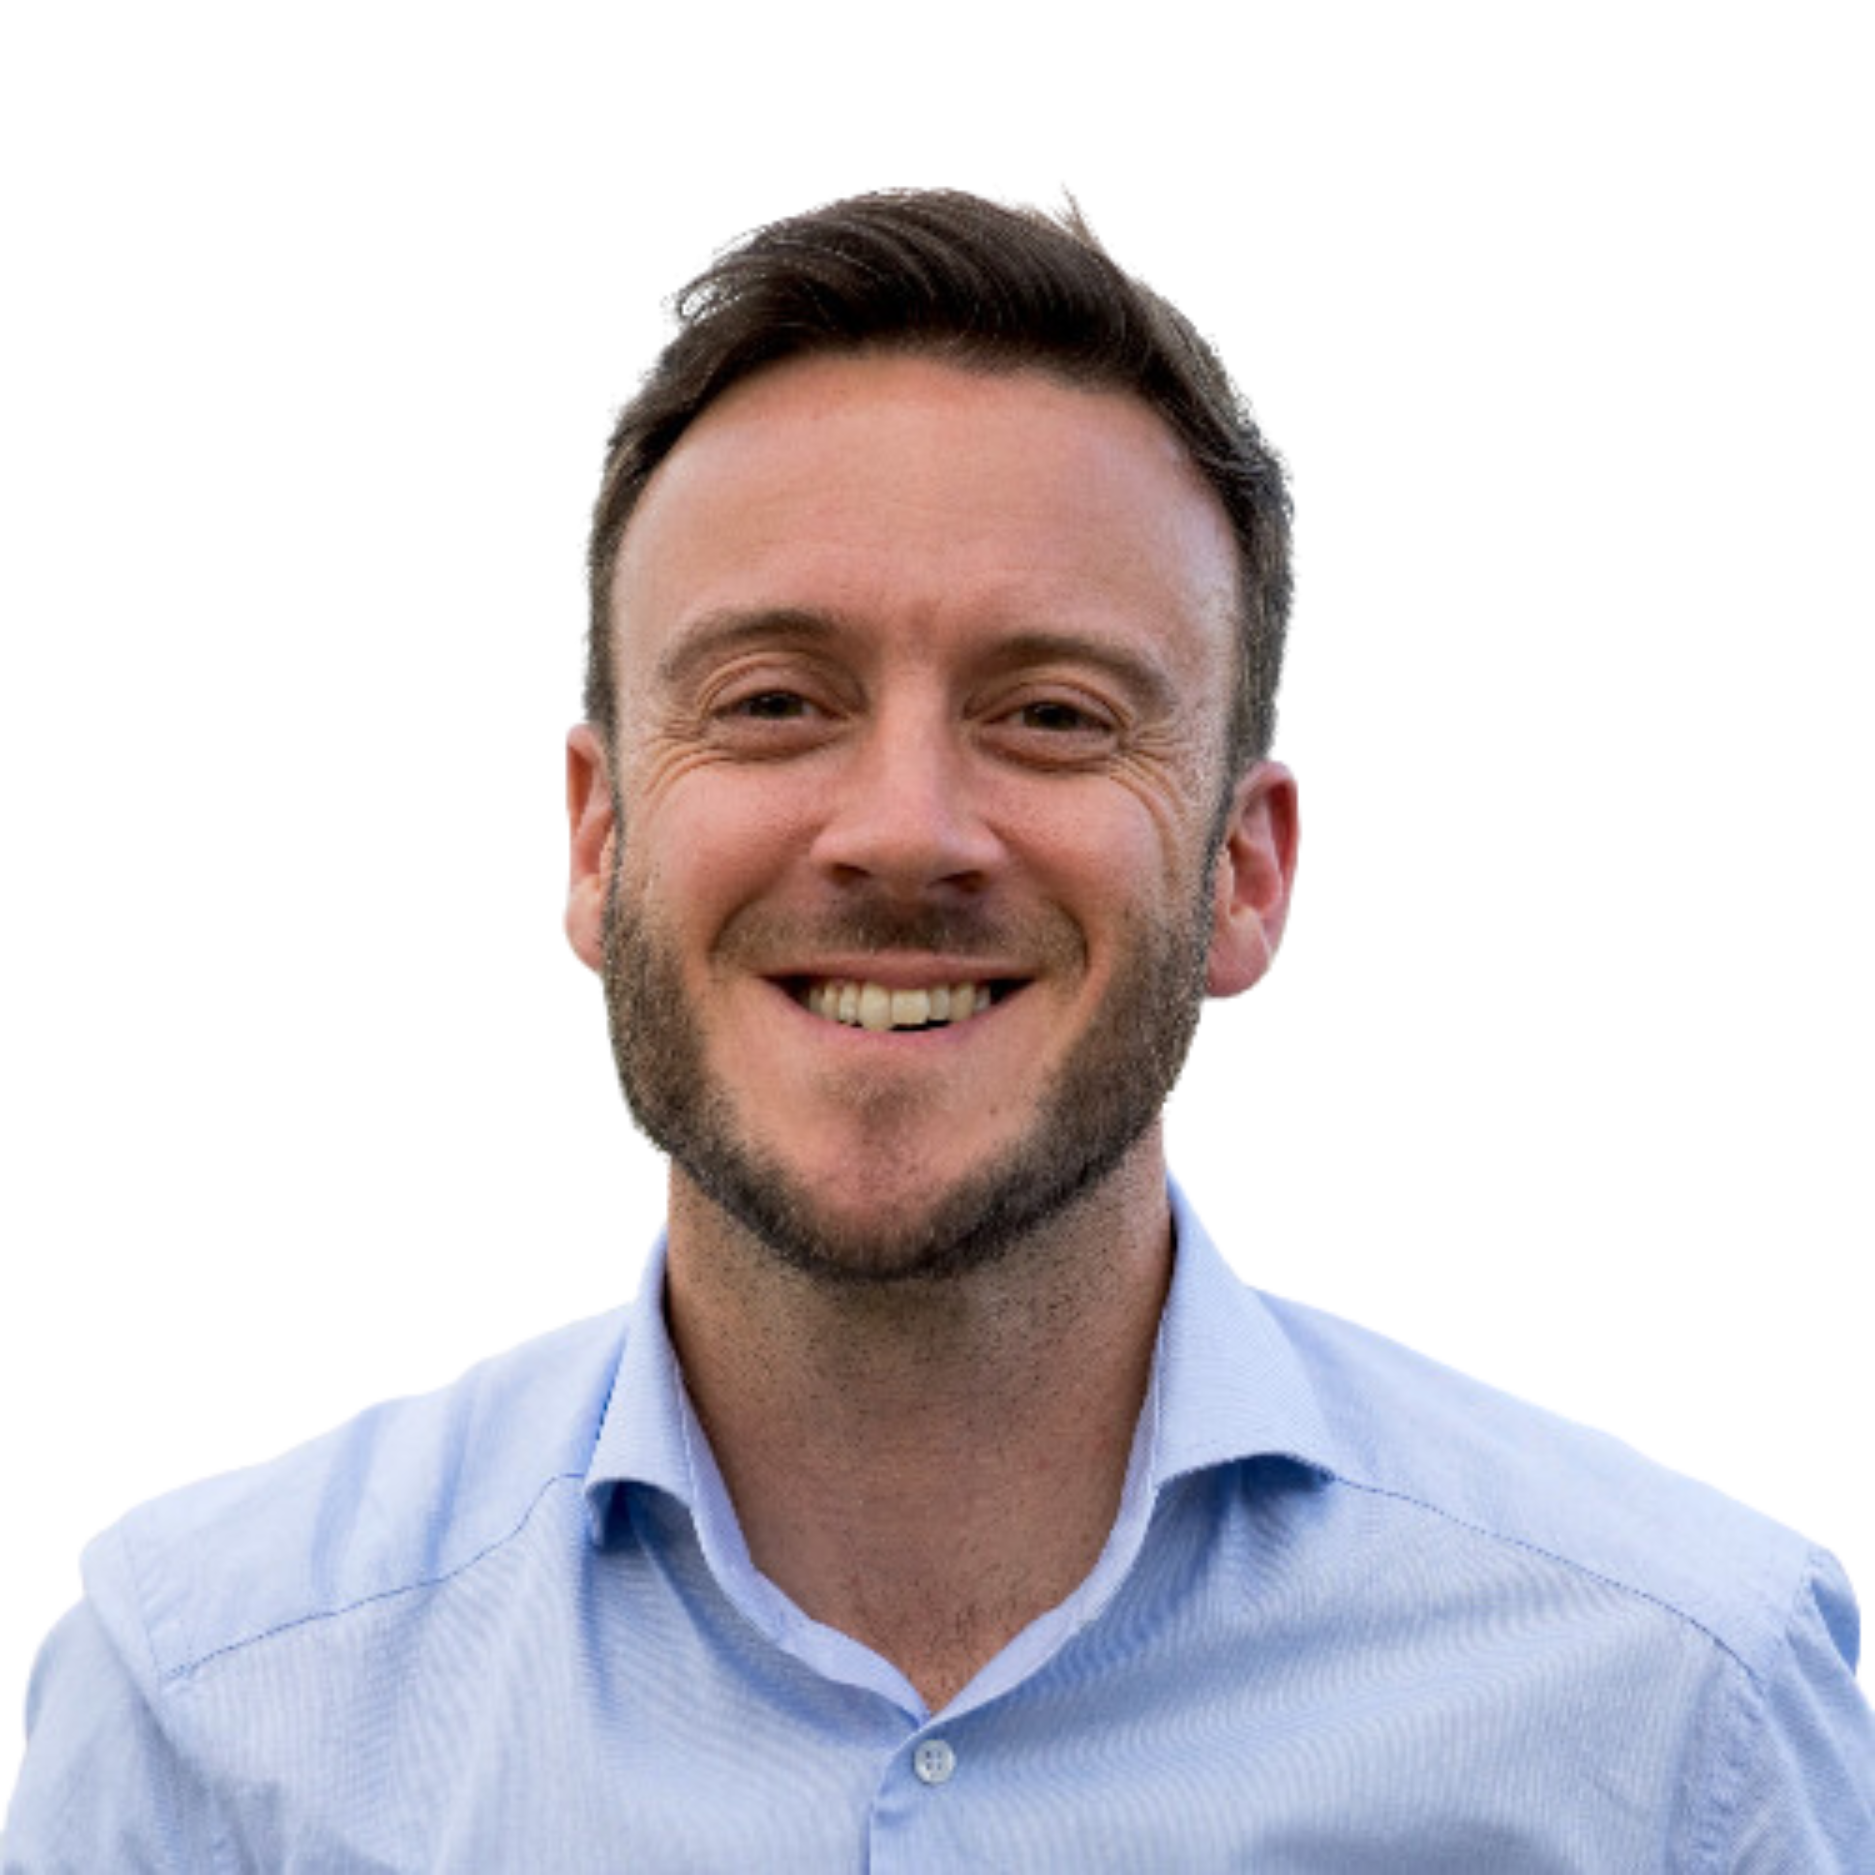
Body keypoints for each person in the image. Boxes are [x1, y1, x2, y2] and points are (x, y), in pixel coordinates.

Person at [5, 185, 1868, 1870]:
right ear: (593, 839)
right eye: (772, 700)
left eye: (1052, 714)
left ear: (1245, 873)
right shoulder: (213, 1711)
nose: (903, 830)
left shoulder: (1674, 1710)